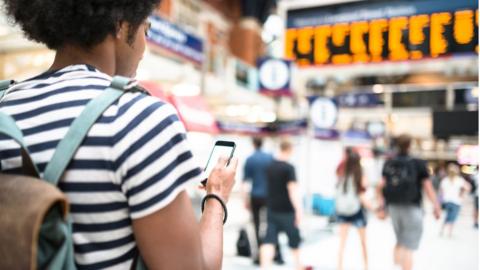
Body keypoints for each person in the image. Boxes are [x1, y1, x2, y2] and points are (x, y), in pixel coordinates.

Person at [0, 1, 237, 269]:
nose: (144, 49)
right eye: (146, 30)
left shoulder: (5, 105)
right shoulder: (138, 117)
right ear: (121, 23)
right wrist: (216, 198)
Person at [376, 134, 441, 270]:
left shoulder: (389, 162)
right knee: (408, 247)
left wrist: (381, 207)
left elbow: (380, 186)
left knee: (400, 240)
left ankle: (395, 266)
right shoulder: (418, 163)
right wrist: (436, 206)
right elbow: (428, 188)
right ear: (410, 145)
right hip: (412, 208)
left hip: (393, 207)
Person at [260, 139, 303, 270]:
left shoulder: (270, 166)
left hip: (272, 209)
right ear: (290, 150)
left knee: (269, 240)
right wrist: (299, 210)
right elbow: (292, 191)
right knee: (294, 240)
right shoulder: (289, 168)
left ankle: (264, 267)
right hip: (287, 211)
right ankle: (298, 266)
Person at [243, 137, 283, 264]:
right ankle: (276, 253)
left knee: (256, 225)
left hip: (255, 196)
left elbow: (245, 182)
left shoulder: (250, 159)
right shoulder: (270, 157)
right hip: (270, 195)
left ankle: (259, 255)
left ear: (254, 144)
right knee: (272, 224)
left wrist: (245, 200)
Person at [335, 148, 370, 270]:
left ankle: (339, 266)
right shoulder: (360, 172)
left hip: (343, 210)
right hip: (357, 211)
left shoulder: (341, 171)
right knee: (363, 242)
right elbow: (363, 192)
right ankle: (366, 266)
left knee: (342, 242)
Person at [439, 163, 471, 237]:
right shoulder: (459, 180)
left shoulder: (445, 180)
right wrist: (462, 194)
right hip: (456, 201)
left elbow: (441, 192)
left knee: (448, 216)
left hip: (447, 201)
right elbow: (468, 187)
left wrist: (440, 201)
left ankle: (443, 230)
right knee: (452, 217)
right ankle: (449, 232)